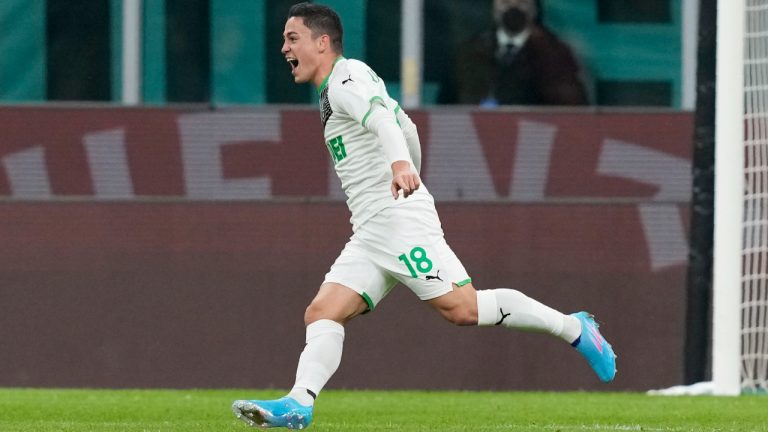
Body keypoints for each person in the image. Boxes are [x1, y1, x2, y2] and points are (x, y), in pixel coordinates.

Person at [232, 3, 614, 429]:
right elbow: (404, 124)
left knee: (463, 309)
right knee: (323, 311)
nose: (284, 47)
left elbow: (383, 119)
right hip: (372, 228)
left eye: (292, 38)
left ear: (322, 43)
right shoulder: (345, 81)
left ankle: (575, 329)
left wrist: (401, 169)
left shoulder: (344, 80)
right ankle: (299, 404)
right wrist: (407, 168)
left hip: (396, 222)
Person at [453, 0, 588, 106]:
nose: (513, 9)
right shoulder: (470, 51)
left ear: (534, 9)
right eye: (505, 2)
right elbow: (448, 102)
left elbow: (572, 104)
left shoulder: (556, 52)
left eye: (522, 2)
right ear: (493, 8)